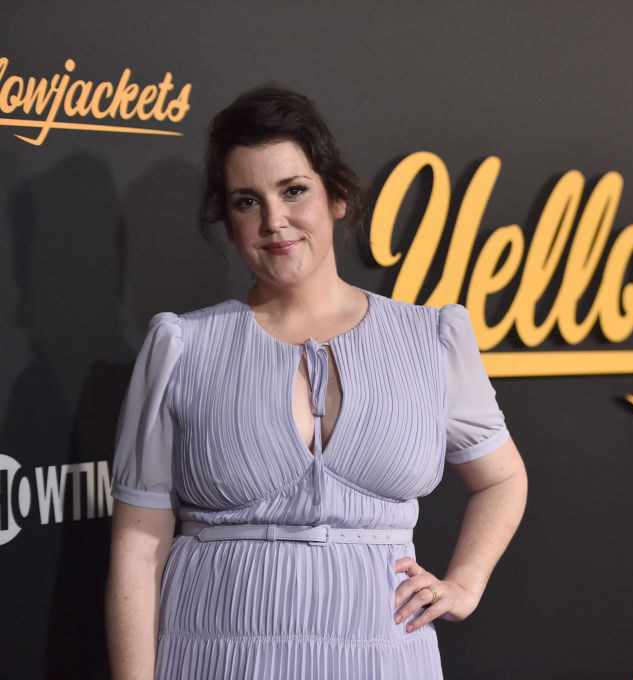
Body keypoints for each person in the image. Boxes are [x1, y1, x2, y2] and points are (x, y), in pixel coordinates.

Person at [105, 86, 528, 679]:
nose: (274, 222)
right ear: (227, 223)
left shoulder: (429, 339)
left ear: (337, 196)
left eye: (294, 190)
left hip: (384, 658)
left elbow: (502, 478)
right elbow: (137, 548)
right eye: (247, 201)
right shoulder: (183, 348)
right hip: (218, 657)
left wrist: (465, 581)